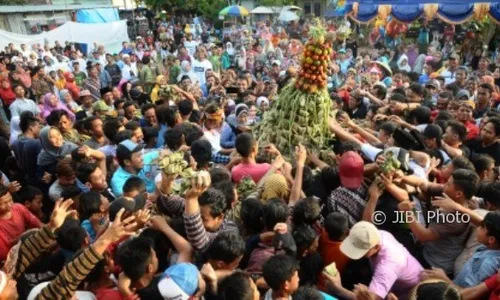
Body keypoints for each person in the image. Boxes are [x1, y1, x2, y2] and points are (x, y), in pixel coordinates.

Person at [324, 221, 423, 299]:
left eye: (362, 251)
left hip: (412, 294)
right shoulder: (379, 234)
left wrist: (338, 288)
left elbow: (371, 299)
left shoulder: (387, 266)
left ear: (376, 247)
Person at [0, 184, 41, 262]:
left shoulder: (18, 207)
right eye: (4, 203)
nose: (9, 205)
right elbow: (6, 248)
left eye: (10, 200)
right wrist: (26, 236)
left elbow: (37, 224)